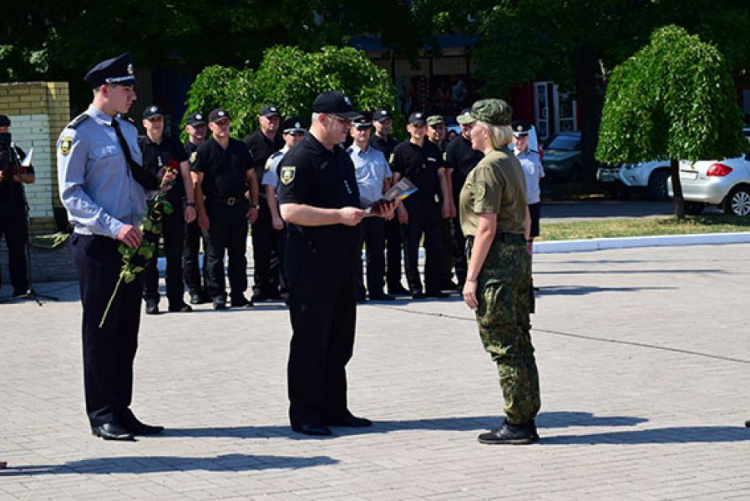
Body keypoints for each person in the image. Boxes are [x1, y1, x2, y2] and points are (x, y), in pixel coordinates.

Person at [57, 53, 173, 441]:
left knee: (127, 330)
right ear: (104, 90)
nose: (133, 94)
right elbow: (71, 194)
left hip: (133, 243)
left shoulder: (124, 130)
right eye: (127, 88)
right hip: (99, 245)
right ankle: (102, 413)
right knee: (101, 330)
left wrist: (157, 186)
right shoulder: (78, 133)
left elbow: (132, 181)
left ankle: (122, 409)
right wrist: (114, 226)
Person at [278, 90, 395, 436]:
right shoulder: (300, 158)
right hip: (310, 265)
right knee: (310, 342)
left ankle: (334, 407)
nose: (349, 127)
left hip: (342, 263)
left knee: (340, 339)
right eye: (343, 121)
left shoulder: (341, 157)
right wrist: (339, 216)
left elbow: (348, 202)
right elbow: (290, 210)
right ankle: (305, 414)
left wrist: (374, 209)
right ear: (322, 119)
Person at [459, 98, 540, 445]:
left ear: (487, 129)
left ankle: (517, 422)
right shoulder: (511, 161)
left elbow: (486, 227)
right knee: (520, 340)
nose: (467, 131)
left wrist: (471, 278)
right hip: (514, 257)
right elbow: (525, 218)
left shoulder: (488, 167)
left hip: (495, 261)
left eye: (472, 125)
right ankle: (525, 415)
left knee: (504, 343)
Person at [192, 108, 260, 310]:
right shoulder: (205, 150)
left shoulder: (240, 148)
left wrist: (254, 205)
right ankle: (218, 295)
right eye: (218, 123)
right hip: (214, 207)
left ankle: (238, 294)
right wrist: (201, 212)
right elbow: (197, 184)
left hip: (238, 207)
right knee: (214, 255)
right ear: (211, 126)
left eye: (226, 122)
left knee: (238, 254)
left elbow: (252, 178)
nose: (223, 126)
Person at [139, 105, 196, 314]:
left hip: (172, 207)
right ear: (144, 123)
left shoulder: (174, 144)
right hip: (148, 207)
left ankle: (176, 300)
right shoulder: (139, 146)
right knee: (148, 255)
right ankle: (151, 299)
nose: (156, 123)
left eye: (159, 119)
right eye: (152, 119)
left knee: (175, 254)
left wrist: (190, 204)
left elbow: (186, 176)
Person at [390, 112, 451, 300]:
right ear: (408, 128)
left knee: (434, 246)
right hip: (410, 206)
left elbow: (441, 176)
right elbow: (396, 181)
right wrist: (399, 207)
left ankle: (433, 286)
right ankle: (415, 287)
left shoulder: (433, 149)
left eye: (421, 126)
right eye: (415, 126)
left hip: (431, 205)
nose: (418, 130)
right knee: (411, 248)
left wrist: (447, 202)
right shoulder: (401, 150)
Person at [347, 115, 394, 302]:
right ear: (351, 131)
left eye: (366, 129)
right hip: (357, 212)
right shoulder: (346, 156)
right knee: (355, 252)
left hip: (377, 210)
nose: (362, 132)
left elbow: (387, 182)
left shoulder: (379, 155)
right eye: (358, 129)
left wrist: (389, 205)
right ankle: (357, 290)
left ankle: (377, 289)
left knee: (376, 252)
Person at [261, 116, 307, 298]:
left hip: (306, 211)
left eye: (300, 134)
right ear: (284, 136)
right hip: (285, 211)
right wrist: (275, 216)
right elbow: (270, 190)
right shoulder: (276, 159)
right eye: (293, 134)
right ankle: (287, 288)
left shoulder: (308, 157)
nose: (297, 138)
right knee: (286, 252)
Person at [244, 105, 284, 302]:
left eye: (275, 119)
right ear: (260, 120)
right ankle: (260, 287)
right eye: (268, 118)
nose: (272, 122)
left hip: (280, 200)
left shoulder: (282, 141)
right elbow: (244, 172)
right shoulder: (250, 143)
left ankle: (273, 286)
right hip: (258, 198)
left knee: (278, 246)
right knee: (261, 245)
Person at [444, 109, 484, 289]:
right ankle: (462, 279)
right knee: (459, 241)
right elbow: (448, 175)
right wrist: (450, 202)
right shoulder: (454, 146)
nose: (467, 127)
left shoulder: (482, 144)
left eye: (470, 124)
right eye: (463, 124)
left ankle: (481, 277)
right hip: (461, 202)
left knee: (482, 239)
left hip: (483, 201)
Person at [370, 109, 408, 296]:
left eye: (387, 122)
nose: (385, 125)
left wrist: (395, 203)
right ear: (374, 123)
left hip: (394, 200)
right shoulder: (370, 145)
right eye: (381, 122)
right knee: (375, 248)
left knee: (394, 245)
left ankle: (394, 282)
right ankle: (376, 285)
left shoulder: (396, 146)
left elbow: (399, 178)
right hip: (375, 203)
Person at [0, 114, 35, 298]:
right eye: (1, 129)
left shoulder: (15, 152)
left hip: (15, 208)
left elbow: (31, 177)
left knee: (17, 250)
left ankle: (21, 288)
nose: (4, 132)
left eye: (6, 128)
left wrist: (16, 176)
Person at [427, 114, 458, 292]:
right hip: (426, 203)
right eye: (434, 128)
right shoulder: (425, 149)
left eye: (441, 128)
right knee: (433, 242)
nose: (438, 132)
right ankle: (434, 279)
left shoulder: (448, 148)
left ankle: (445, 276)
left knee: (448, 241)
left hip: (446, 201)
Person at [183, 111, 210, 305]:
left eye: (202, 127)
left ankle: (211, 287)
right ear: (187, 129)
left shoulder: (212, 149)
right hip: (189, 206)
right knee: (190, 251)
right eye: (195, 127)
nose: (199, 131)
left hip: (210, 205)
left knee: (212, 250)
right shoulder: (182, 151)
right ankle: (194, 289)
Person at [512, 120, 545, 254]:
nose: (521, 141)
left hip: (533, 200)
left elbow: (538, 177)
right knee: (518, 234)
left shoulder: (534, 156)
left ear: (528, 138)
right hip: (517, 203)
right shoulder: (509, 157)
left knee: (531, 235)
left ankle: (528, 263)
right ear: (512, 139)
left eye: (523, 137)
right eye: (517, 138)